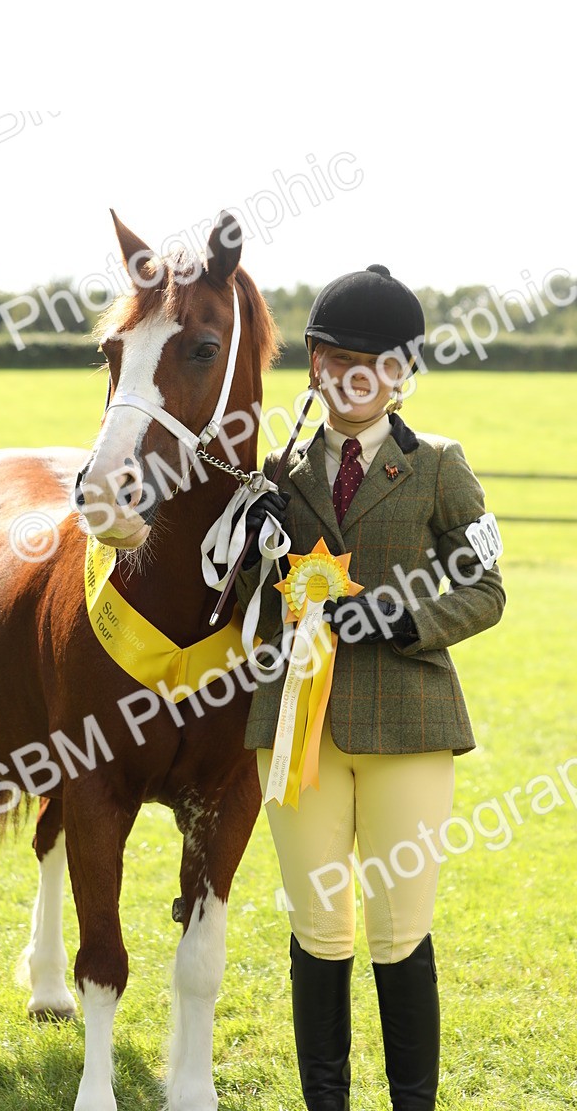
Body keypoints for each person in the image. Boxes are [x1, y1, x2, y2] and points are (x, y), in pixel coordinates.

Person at [236, 263, 505, 1110]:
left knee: (398, 934)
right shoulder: (277, 474)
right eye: (338, 358)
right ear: (315, 365)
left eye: (379, 362)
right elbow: (241, 602)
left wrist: (403, 621)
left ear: (403, 371)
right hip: (296, 732)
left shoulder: (440, 467)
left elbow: (487, 586)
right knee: (317, 930)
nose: (358, 377)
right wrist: (253, 546)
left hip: (410, 727)